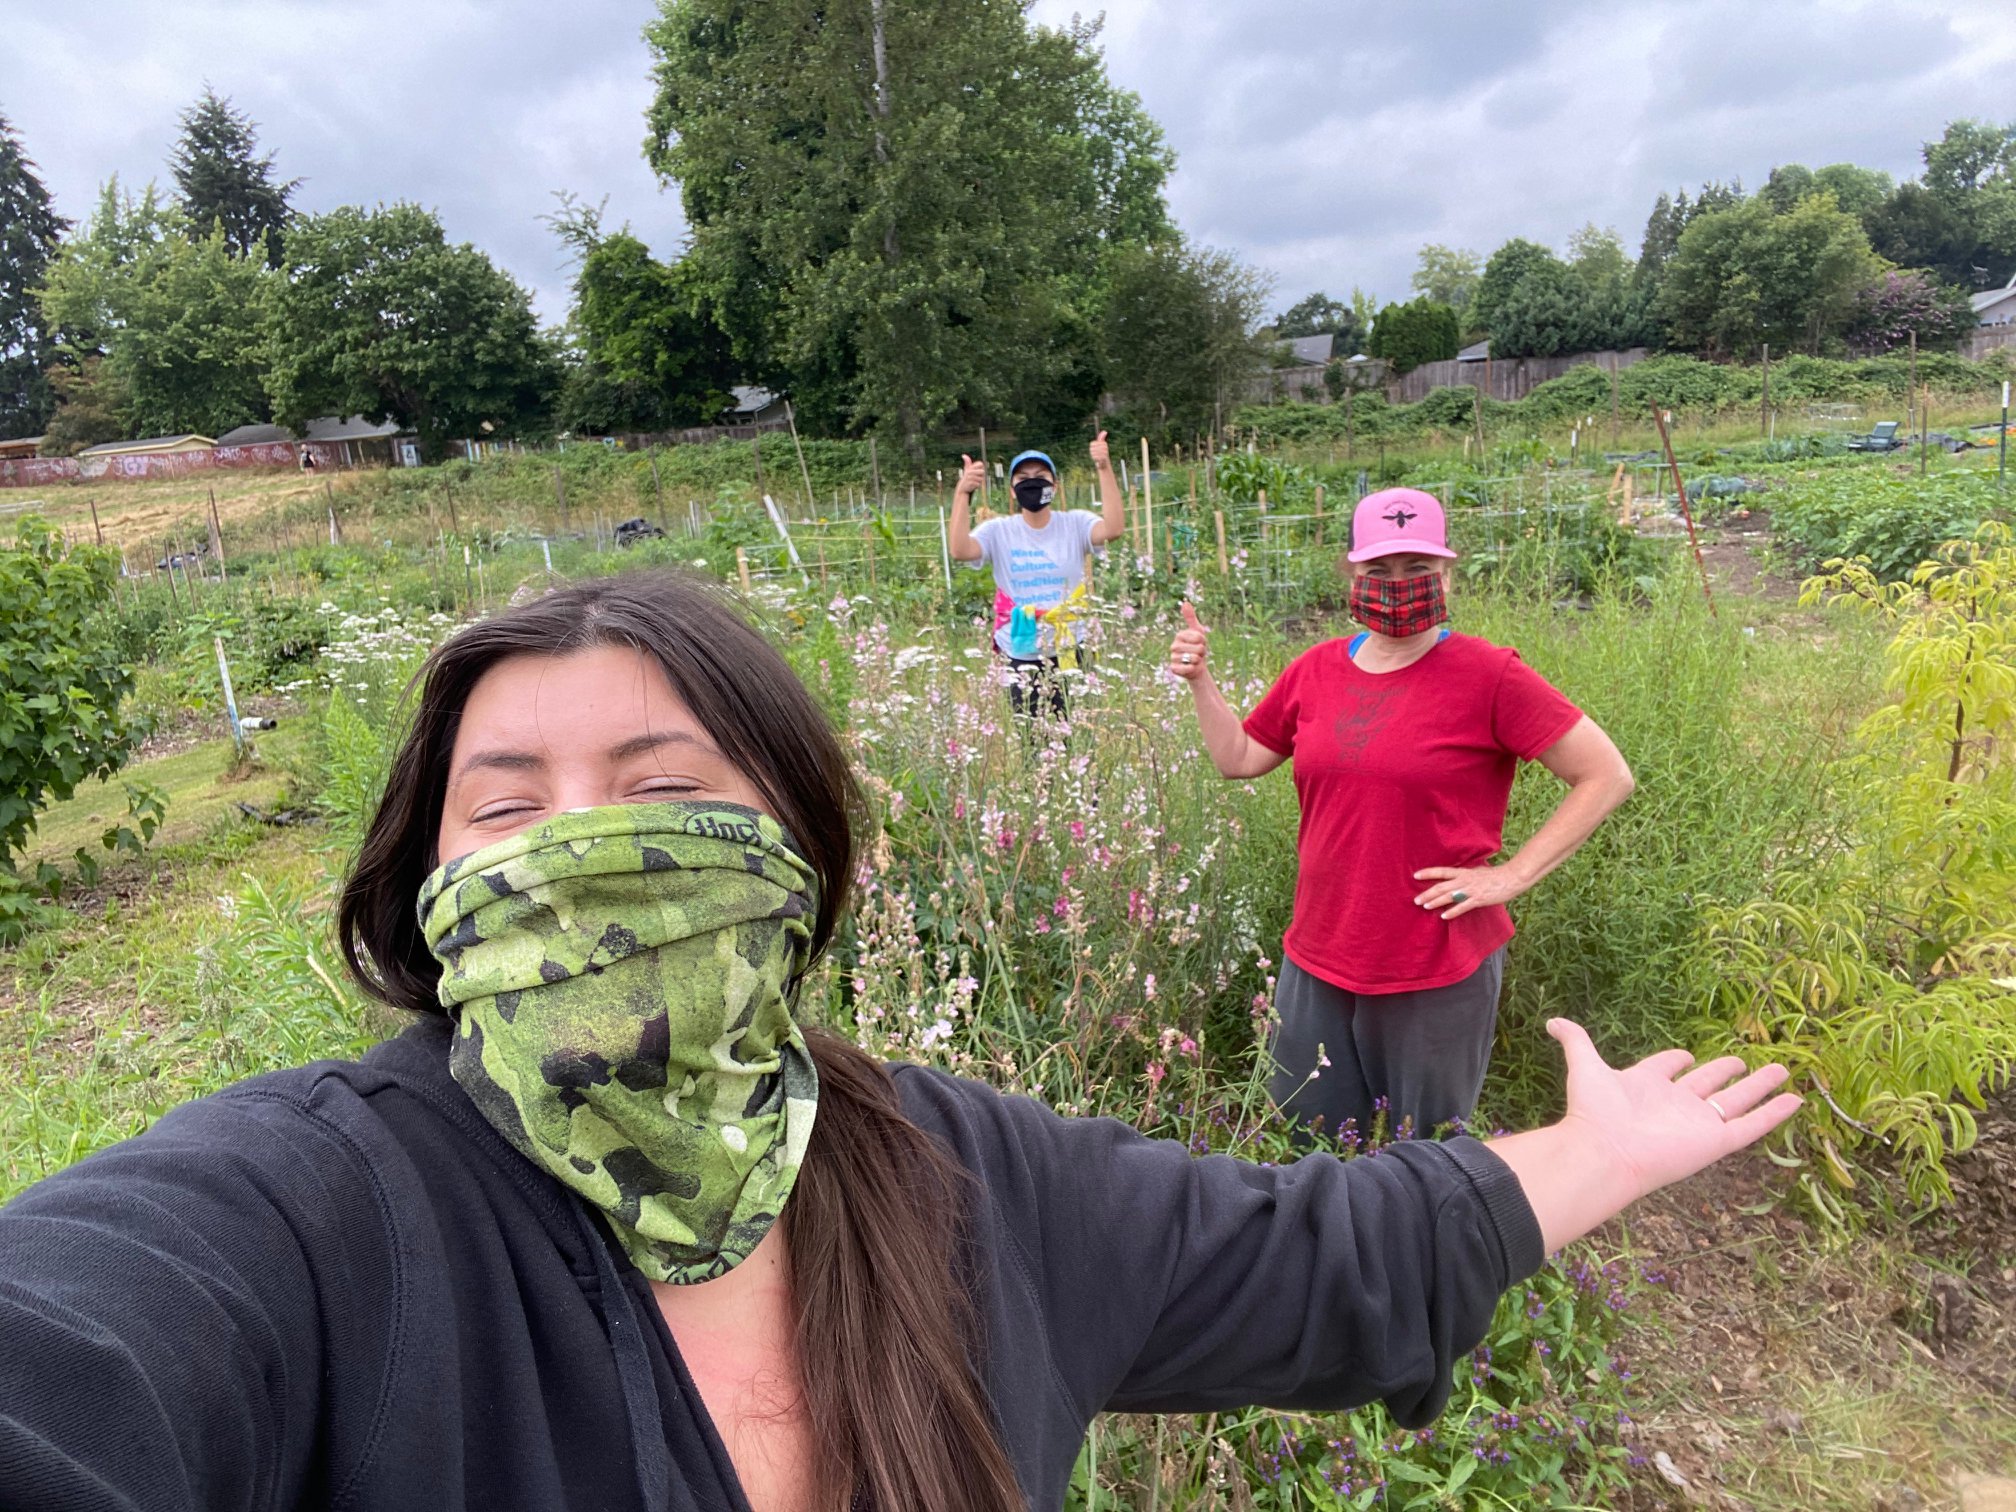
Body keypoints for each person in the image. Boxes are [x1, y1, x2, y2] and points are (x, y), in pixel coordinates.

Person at [0, 570, 1792, 1512]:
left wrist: (1597, 1149)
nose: (576, 844)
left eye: (658, 788)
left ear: (793, 854)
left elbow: (1317, 1249)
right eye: (507, 803)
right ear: (426, 876)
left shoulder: (969, 1178)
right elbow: (78, 1352)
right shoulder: (321, 1212)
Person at [1170, 487, 1637, 1143]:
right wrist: (1201, 682)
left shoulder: (1488, 675)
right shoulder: (1316, 670)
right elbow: (1241, 756)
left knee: (1427, 1157)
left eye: (1418, 569)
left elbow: (1605, 774)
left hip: (1434, 965)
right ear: (1351, 573)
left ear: (1447, 573)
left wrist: (1512, 876)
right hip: (1319, 956)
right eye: (1378, 571)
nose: (1398, 585)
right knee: (1309, 1151)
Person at [948, 433, 1125, 720]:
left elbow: (1114, 528)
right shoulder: (998, 531)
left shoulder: (1075, 524)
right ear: (1012, 492)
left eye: (1041, 476)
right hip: (1019, 652)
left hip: (1070, 646)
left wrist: (1104, 467)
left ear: (1054, 486)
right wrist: (962, 494)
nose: (1032, 482)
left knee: (1076, 733)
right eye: (1023, 478)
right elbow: (959, 550)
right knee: (1031, 737)